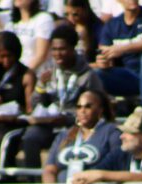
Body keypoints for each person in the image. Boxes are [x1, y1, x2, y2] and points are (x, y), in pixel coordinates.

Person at [22, 24, 105, 167]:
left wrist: (68, 118)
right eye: (54, 49)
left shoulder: (87, 75)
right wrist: (41, 86)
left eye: (62, 49)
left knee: (67, 141)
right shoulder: (48, 70)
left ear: (73, 48)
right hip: (48, 124)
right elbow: (35, 104)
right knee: (30, 137)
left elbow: (97, 109)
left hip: (75, 124)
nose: (57, 54)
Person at [43, 89, 122, 184]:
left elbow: (116, 169)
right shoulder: (65, 135)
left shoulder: (111, 132)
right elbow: (49, 169)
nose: (82, 111)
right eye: (79, 107)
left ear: (100, 109)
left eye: (88, 106)